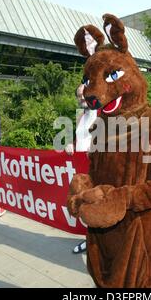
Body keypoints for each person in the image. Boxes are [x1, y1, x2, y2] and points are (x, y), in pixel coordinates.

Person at [66, 83, 97, 254]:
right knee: (85, 204)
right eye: (79, 95)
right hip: (82, 170)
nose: (82, 98)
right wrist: (71, 144)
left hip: (97, 169)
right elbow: (80, 138)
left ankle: (98, 243)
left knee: (97, 204)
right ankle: (90, 240)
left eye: (84, 94)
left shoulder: (103, 112)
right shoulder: (80, 116)